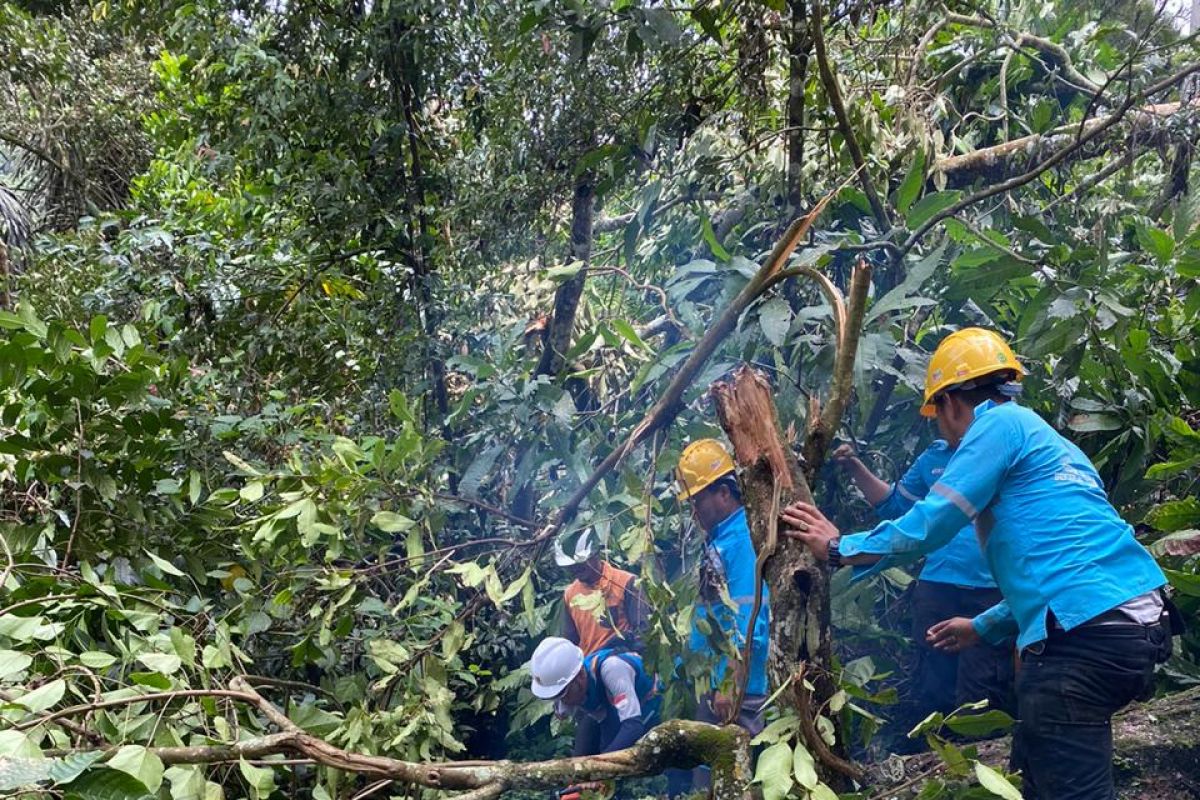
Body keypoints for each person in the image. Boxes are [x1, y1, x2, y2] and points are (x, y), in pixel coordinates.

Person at [781, 327, 1171, 800]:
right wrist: (982, 627)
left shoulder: (997, 427)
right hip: (1133, 623)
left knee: (1071, 783)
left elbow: (933, 521)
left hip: (1085, 640)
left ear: (949, 403)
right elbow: (1063, 577)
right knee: (1044, 757)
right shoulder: (1055, 445)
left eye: (936, 414)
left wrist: (839, 546)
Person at [831, 439, 1013, 738]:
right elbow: (895, 507)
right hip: (937, 586)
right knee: (933, 679)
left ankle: (980, 760)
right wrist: (853, 465)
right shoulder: (934, 456)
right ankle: (933, 757)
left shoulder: (1002, 448)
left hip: (992, 588)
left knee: (983, 684)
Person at [669, 439, 770, 794]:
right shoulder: (718, 540)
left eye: (698, 500)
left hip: (742, 690)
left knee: (734, 783)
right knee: (706, 782)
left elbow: (749, 614)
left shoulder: (741, 540)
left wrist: (730, 683)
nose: (694, 510)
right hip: (718, 684)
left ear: (724, 493)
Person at [529, 636, 661, 761]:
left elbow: (633, 727)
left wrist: (600, 765)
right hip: (614, 710)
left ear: (580, 676)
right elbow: (605, 726)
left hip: (657, 705)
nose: (563, 701)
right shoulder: (573, 686)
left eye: (563, 694)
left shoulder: (613, 669)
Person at [557, 530, 649, 656]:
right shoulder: (570, 594)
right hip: (589, 666)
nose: (574, 569)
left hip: (622, 661)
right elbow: (570, 641)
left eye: (579, 563)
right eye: (570, 566)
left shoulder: (626, 582)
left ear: (595, 554)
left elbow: (643, 631)